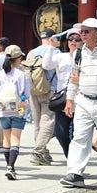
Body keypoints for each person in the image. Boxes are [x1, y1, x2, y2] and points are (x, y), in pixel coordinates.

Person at [60, 18, 97, 187]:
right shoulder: (79, 53)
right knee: (79, 137)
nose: (82, 35)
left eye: (87, 31)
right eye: (82, 32)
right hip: (83, 100)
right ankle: (75, 173)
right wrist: (69, 100)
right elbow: (73, 79)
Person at [42, 28, 83, 157]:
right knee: (60, 133)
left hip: (80, 98)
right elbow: (46, 65)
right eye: (70, 39)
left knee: (76, 133)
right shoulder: (61, 57)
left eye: (77, 39)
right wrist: (51, 47)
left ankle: (76, 160)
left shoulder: (86, 58)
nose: (73, 41)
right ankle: (70, 156)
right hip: (63, 98)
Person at [0, 44, 30, 180]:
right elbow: (26, 94)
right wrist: (22, 107)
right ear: (18, 58)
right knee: (15, 138)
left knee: (6, 138)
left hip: (3, 109)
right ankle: (10, 166)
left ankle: (9, 166)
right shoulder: (22, 75)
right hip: (18, 108)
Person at [26, 28, 58, 165]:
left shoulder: (31, 52)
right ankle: (38, 151)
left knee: (37, 123)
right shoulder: (55, 52)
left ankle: (43, 152)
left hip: (33, 90)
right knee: (47, 121)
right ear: (53, 38)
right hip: (49, 89)